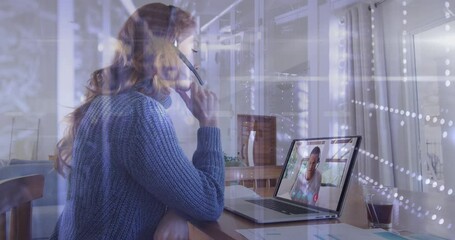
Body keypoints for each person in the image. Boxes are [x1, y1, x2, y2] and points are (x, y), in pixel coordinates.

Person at [50, 3, 224, 239]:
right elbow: (210, 202)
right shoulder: (142, 115)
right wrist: (209, 124)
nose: (198, 62)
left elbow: (171, 189)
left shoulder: (114, 104)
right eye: (193, 50)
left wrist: (179, 211)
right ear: (170, 51)